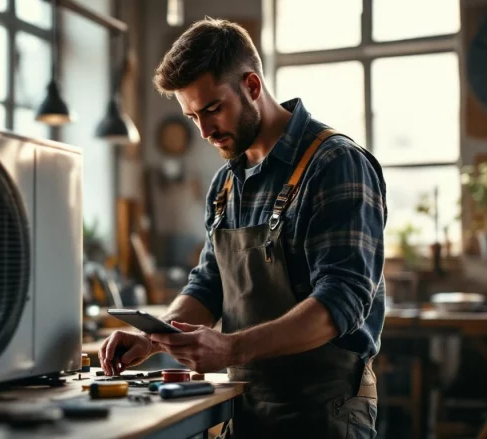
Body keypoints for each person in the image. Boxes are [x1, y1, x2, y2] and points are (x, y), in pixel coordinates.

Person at [98, 17, 387, 438]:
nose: (204, 130)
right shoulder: (227, 183)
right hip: (246, 409)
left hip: (324, 413)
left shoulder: (335, 165)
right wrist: (153, 336)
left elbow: (340, 303)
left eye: (212, 109)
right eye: (192, 115)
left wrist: (232, 348)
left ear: (251, 86)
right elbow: (209, 283)